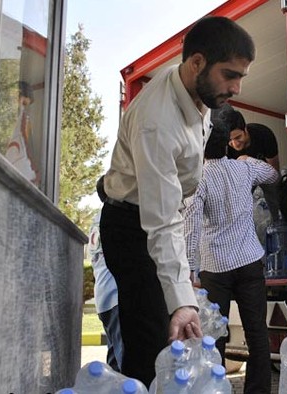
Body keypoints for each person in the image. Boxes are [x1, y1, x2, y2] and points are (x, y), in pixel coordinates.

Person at [98, 16, 255, 387]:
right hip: (134, 227)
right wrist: (182, 300)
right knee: (153, 345)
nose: (235, 87)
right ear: (196, 62)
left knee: (166, 338)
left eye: (241, 77)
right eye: (229, 74)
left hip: (153, 218)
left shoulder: (193, 90)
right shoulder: (158, 121)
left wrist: (183, 284)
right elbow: (162, 221)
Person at [184, 122, 278, 394]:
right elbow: (272, 175)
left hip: (216, 267)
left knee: (214, 335)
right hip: (249, 261)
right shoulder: (245, 167)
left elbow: (191, 227)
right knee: (257, 332)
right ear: (227, 144)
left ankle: (215, 387)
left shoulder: (199, 178)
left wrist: (190, 269)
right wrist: (248, 159)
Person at [87, 176, 123, 371]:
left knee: (114, 362)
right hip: (116, 296)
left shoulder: (96, 220)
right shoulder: (112, 220)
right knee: (125, 365)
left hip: (103, 296)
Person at [222, 109, 282, 222]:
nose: (234, 144)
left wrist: (248, 160)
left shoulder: (264, 134)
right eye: (230, 140)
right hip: (242, 179)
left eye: (238, 137)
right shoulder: (224, 145)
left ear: (245, 129)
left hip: (266, 175)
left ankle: (278, 225)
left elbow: (275, 174)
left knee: (275, 201)